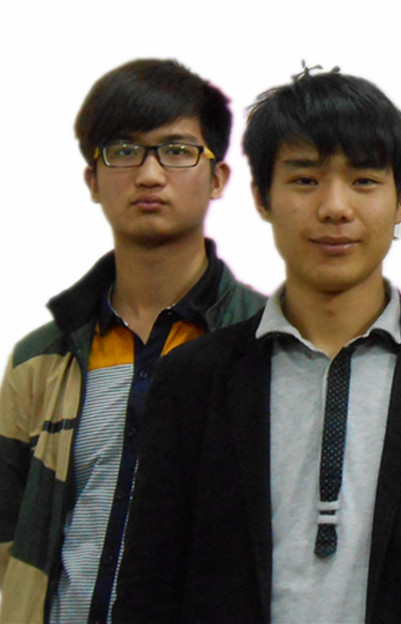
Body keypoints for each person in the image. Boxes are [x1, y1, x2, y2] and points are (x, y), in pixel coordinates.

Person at [112, 66, 401, 624]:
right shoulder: (193, 379)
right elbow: (149, 587)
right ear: (262, 197)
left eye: (363, 181)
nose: (335, 207)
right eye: (306, 180)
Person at [0, 59, 265, 624]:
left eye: (176, 150)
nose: (149, 174)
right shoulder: (41, 358)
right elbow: (8, 530)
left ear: (218, 177)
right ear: (93, 181)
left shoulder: (265, 341)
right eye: (123, 151)